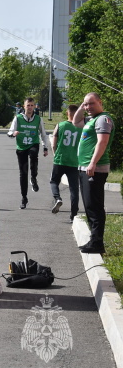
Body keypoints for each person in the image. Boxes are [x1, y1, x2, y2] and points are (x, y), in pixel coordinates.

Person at [73, 92, 114, 254]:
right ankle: (93, 239)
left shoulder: (103, 119)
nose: (88, 107)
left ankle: (98, 243)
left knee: (94, 206)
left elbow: (102, 142)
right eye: (85, 104)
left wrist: (92, 162)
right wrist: (82, 107)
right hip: (85, 168)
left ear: (100, 102)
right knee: (89, 205)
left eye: (91, 104)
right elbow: (76, 122)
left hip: (95, 168)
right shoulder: (91, 120)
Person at [7, 97, 48, 209]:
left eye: (31, 105)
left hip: (33, 143)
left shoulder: (38, 119)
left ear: (34, 106)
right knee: (23, 173)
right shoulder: (18, 118)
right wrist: (13, 133)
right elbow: (10, 131)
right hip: (21, 147)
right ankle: (24, 198)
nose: (30, 107)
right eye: (28, 105)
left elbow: (43, 134)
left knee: (34, 154)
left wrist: (45, 147)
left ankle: (33, 178)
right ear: (24, 107)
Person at [49, 104, 81, 222]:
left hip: (60, 159)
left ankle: (57, 198)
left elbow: (53, 143)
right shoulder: (82, 128)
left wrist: (55, 154)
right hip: (74, 162)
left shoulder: (60, 125)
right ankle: (73, 214)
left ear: (68, 113)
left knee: (54, 181)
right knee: (74, 189)